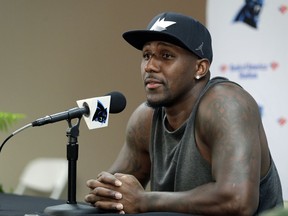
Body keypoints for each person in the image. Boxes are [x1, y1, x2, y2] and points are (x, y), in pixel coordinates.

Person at [84, 12, 283, 215]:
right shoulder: (146, 118)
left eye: (166, 55)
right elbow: (115, 192)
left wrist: (145, 200)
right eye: (146, 55)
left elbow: (238, 200)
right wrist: (108, 193)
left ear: (200, 68)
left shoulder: (225, 105)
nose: (150, 66)